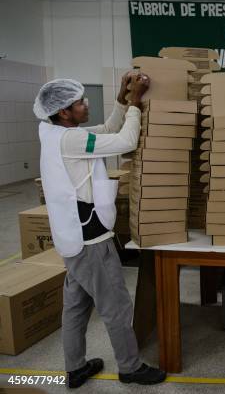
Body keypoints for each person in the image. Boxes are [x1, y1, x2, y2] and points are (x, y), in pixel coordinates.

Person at [33, 73, 166, 388]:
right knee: (116, 306)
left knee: (77, 306)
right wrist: (135, 104)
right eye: (79, 103)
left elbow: (107, 131)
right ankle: (130, 368)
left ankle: (76, 367)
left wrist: (122, 98)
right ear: (63, 111)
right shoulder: (72, 140)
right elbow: (125, 141)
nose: (85, 104)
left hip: (71, 238)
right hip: (90, 239)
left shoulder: (55, 133)